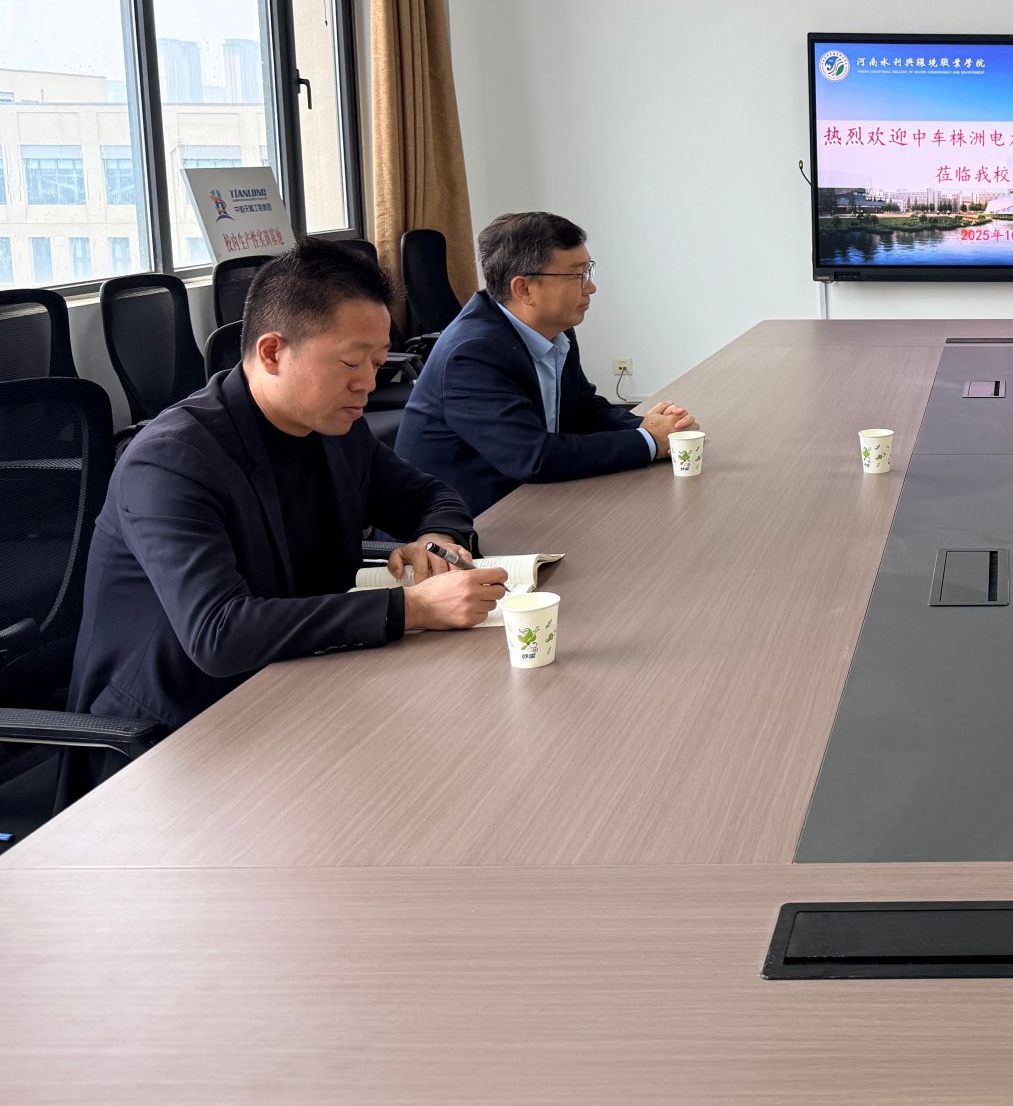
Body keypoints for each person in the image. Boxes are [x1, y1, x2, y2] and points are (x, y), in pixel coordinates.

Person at [68, 241, 506, 761]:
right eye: (351, 362)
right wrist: (413, 608)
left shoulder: (333, 425)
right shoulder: (170, 461)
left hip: (303, 684)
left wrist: (437, 538)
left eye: (377, 362)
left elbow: (430, 494)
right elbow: (218, 633)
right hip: (176, 735)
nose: (368, 384)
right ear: (272, 352)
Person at [398, 212, 697, 516]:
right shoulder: (472, 354)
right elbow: (533, 456)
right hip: (463, 522)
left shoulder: (555, 328)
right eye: (577, 276)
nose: (590, 287)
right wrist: (647, 441)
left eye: (588, 271)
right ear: (524, 289)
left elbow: (582, 407)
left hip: (529, 500)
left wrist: (656, 429)